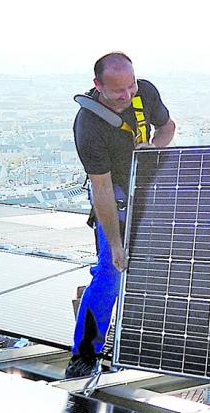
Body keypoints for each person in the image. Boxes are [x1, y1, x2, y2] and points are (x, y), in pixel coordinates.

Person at [68, 51, 176, 379]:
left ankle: (152, 346)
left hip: (147, 186)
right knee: (110, 272)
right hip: (113, 192)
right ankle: (84, 354)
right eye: (118, 90)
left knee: (162, 267)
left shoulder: (145, 93)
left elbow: (167, 127)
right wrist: (115, 244)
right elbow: (101, 189)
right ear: (98, 85)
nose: (127, 95)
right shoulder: (88, 125)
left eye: (130, 86)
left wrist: (154, 150)